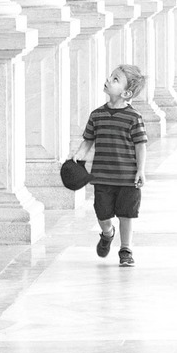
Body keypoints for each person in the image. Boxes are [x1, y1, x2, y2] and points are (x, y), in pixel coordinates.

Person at [72, 64, 147, 267]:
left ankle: (126, 249)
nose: (108, 79)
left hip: (127, 177)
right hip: (102, 177)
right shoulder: (97, 115)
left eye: (115, 79)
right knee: (102, 213)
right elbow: (88, 140)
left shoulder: (133, 118)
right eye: (111, 76)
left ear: (126, 93)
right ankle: (107, 233)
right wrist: (78, 157)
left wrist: (140, 170)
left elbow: (140, 146)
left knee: (126, 214)